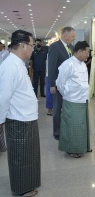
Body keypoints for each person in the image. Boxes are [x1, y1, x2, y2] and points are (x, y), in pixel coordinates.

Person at [0, 30, 40, 197]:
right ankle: (21, 188)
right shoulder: (9, 66)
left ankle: (27, 184)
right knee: (20, 157)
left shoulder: (17, 63)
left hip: (26, 118)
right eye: (31, 45)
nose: (32, 49)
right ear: (23, 45)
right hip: (18, 121)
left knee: (28, 156)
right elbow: (3, 97)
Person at [56, 41, 92, 158]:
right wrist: (68, 94)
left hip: (83, 99)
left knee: (81, 125)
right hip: (72, 100)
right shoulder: (68, 64)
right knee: (72, 125)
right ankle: (72, 149)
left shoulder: (82, 64)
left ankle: (83, 146)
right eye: (87, 52)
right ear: (80, 51)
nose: (88, 55)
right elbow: (60, 83)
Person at [48, 26, 76, 140]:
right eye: (72, 36)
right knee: (57, 108)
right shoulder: (55, 47)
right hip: (58, 84)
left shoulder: (72, 47)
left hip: (70, 85)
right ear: (65, 35)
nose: (73, 39)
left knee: (68, 108)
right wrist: (51, 84)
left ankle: (66, 129)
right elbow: (51, 67)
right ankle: (57, 132)